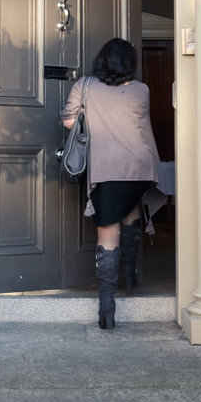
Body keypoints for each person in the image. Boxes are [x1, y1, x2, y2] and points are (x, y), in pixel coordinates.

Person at [61, 37, 162, 330]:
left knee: (108, 234)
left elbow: (69, 122)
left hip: (106, 168)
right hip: (139, 168)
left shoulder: (85, 86)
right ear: (130, 64)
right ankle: (129, 273)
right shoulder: (142, 90)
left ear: (102, 60)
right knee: (129, 210)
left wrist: (88, 112)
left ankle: (107, 307)